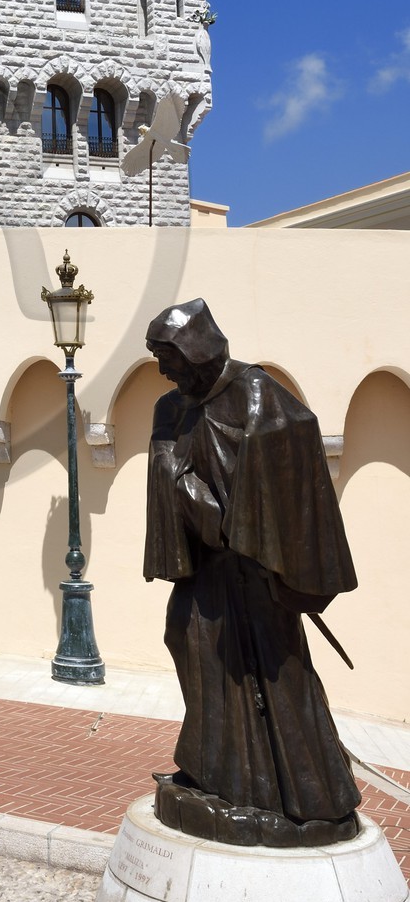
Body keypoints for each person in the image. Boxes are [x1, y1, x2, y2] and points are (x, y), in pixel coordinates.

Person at [143, 298, 360, 847]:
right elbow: (169, 465)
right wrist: (179, 484)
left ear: (195, 352)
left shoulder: (258, 397)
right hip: (206, 569)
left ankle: (304, 799)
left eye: (168, 358)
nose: (164, 372)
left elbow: (290, 472)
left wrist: (261, 539)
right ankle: (213, 774)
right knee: (186, 642)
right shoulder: (172, 407)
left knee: (269, 675)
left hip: (255, 575)